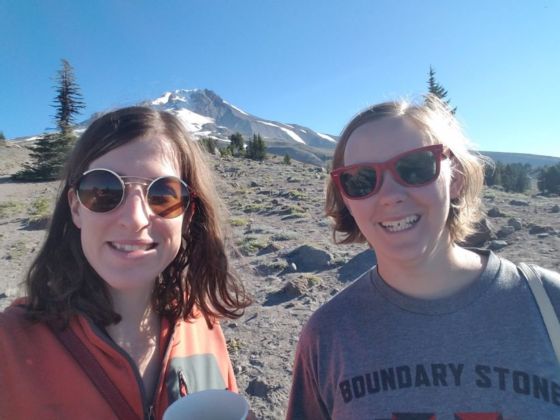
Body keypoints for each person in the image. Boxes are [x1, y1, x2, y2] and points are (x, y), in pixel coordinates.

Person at [287, 96, 560, 418]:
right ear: (346, 198)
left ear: (455, 177)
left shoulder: (549, 303)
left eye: (415, 168)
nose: (390, 196)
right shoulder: (327, 333)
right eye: (361, 179)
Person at [0, 106, 251, 419]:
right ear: (76, 208)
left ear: (187, 216)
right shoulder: (9, 345)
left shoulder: (202, 324)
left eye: (163, 195)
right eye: (104, 190)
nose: (134, 219)